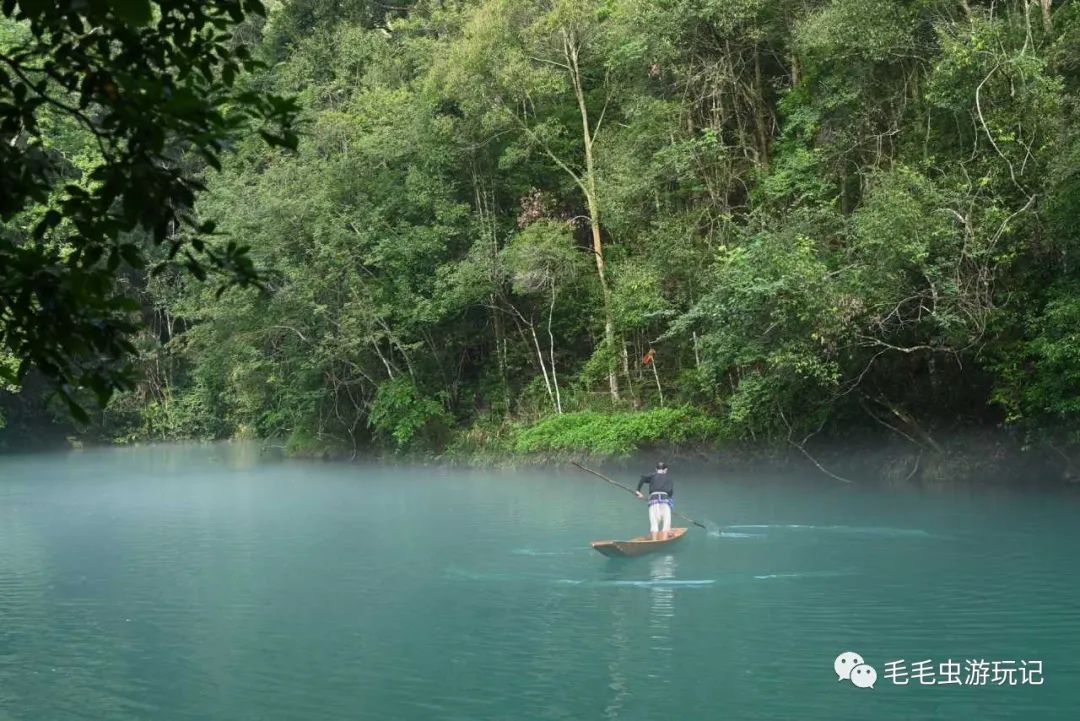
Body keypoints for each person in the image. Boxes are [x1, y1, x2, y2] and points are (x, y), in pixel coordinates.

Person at [635, 462, 673, 538]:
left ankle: (654, 540)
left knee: (654, 523)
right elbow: (670, 493)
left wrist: (638, 491)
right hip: (665, 501)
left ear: (656, 469)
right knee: (666, 524)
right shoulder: (669, 478)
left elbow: (643, 478)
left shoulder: (652, 476)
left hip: (653, 500)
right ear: (666, 470)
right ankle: (664, 540)